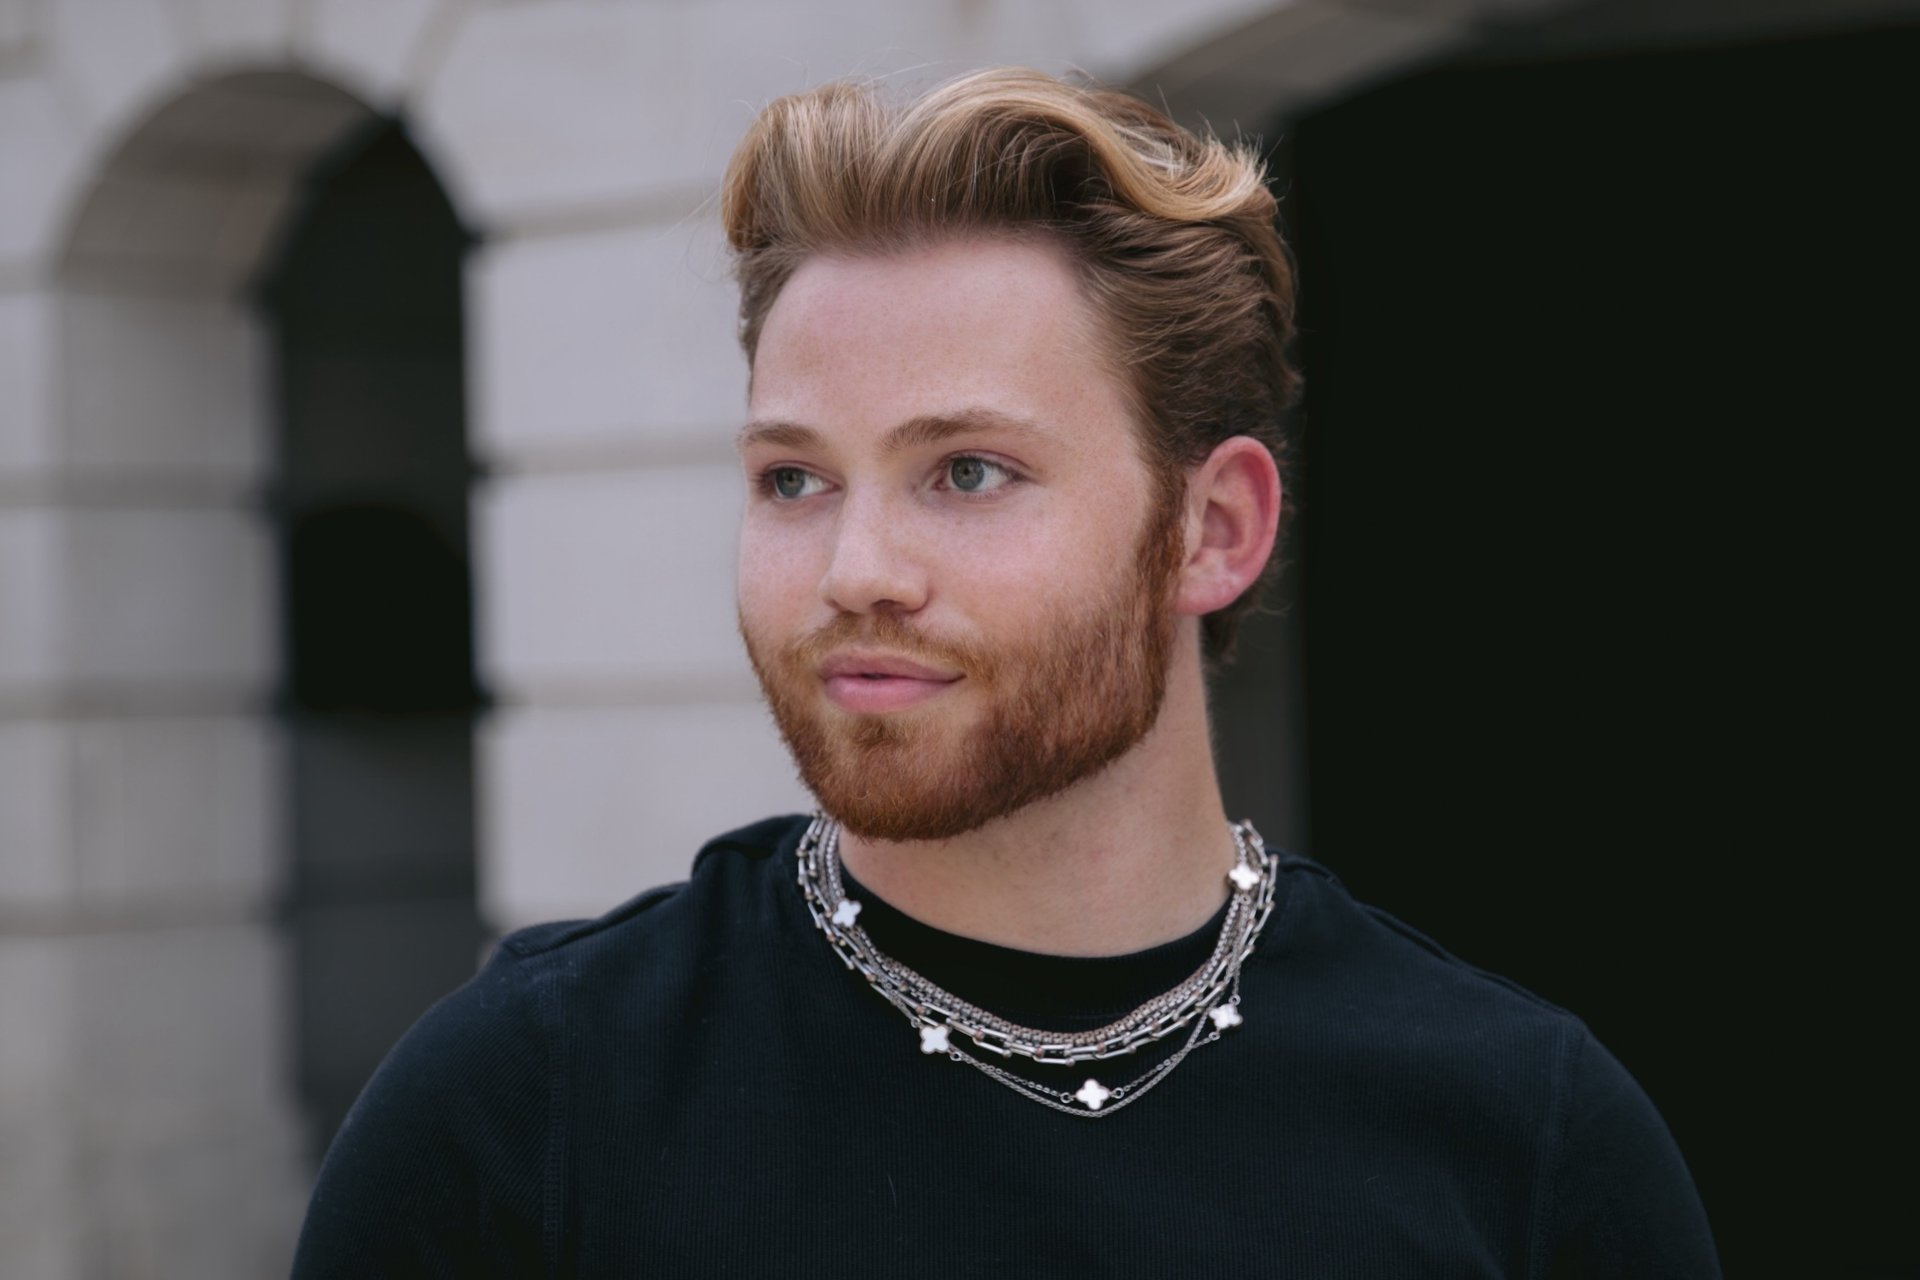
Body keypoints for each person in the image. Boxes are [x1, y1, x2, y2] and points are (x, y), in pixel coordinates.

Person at [290, 68, 1718, 1277]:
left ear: (1212, 532)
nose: (855, 568)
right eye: (793, 478)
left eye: (966, 472)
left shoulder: (1522, 1137)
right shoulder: (524, 1107)